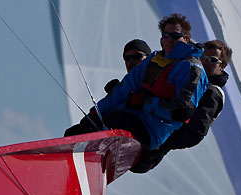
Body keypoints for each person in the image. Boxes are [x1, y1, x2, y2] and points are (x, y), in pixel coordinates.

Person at [65, 13, 208, 153]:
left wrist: (145, 103)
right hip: (132, 117)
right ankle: (68, 154)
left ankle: (89, 151)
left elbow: (182, 111)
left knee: (112, 122)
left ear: (186, 38)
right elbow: (123, 90)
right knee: (79, 130)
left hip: (152, 130)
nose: (169, 40)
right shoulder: (153, 60)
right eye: (165, 35)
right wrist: (96, 113)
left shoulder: (191, 67)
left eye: (175, 36)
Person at [131, 39, 232, 173]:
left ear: (222, 66)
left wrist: (164, 139)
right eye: (203, 57)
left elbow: (195, 134)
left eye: (212, 60)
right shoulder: (192, 77)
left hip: (152, 146)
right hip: (146, 126)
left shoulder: (213, 93)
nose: (206, 62)